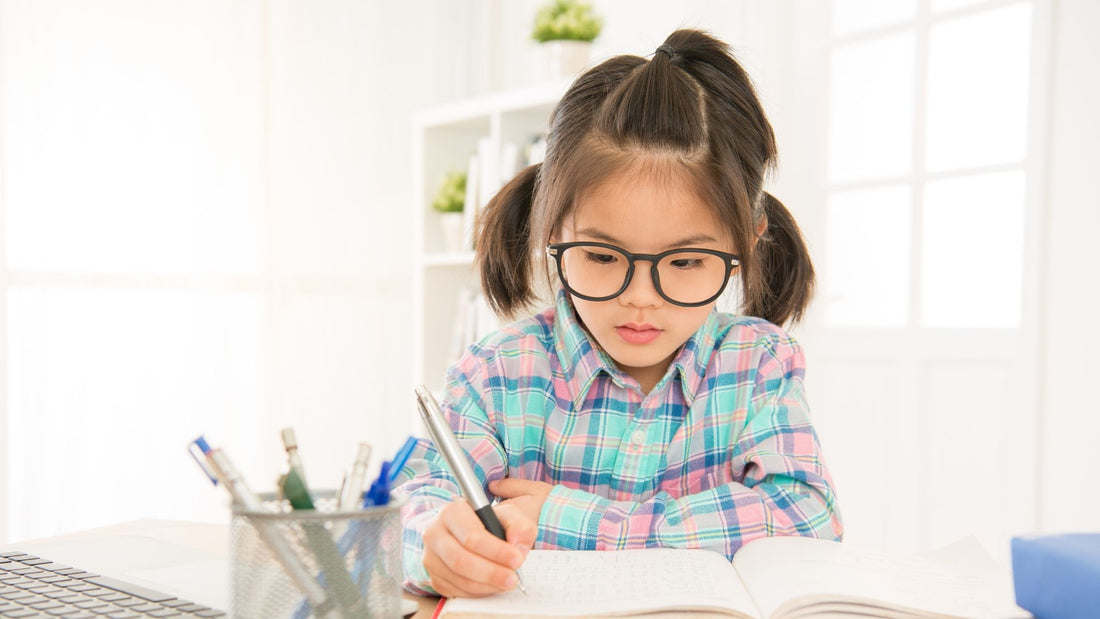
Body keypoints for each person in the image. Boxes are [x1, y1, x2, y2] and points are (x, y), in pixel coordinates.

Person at [394, 28, 843, 598]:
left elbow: (807, 517)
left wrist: (583, 519)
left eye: (684, 262)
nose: (641, 297)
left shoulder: (758, 364)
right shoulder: (498, 373)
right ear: (552, 229)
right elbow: (417, 504)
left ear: (748, 244)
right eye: (603, 256)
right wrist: (436, 546)